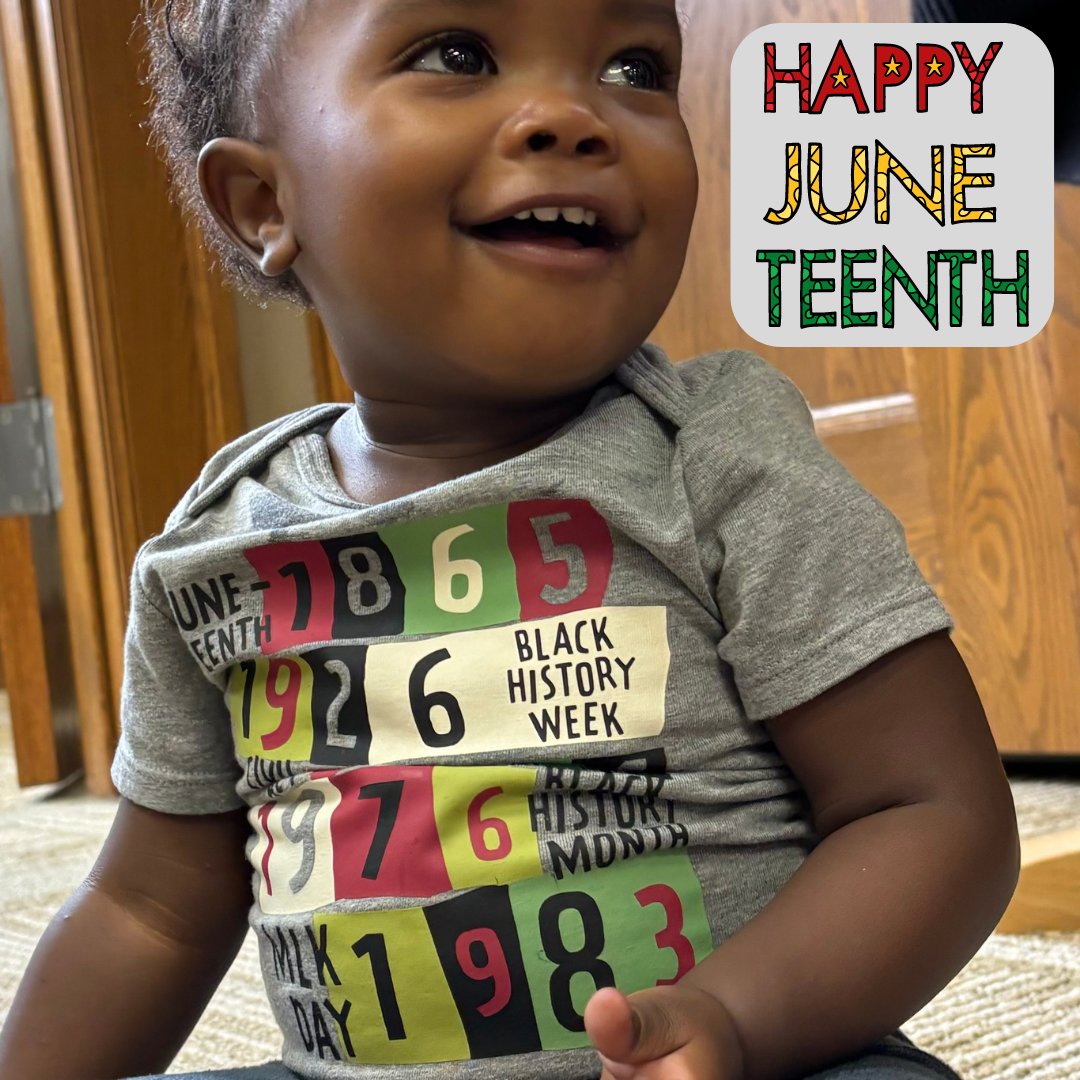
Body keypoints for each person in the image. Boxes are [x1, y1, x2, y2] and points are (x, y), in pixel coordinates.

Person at [0, 1, 1020, 1078]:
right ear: (264, 202)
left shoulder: (715, 459)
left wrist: (735, 1018)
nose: (574, 116)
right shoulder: (215, 549)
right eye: (458, 55)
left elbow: (931, 809)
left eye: (635, 66)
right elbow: (148, 911)